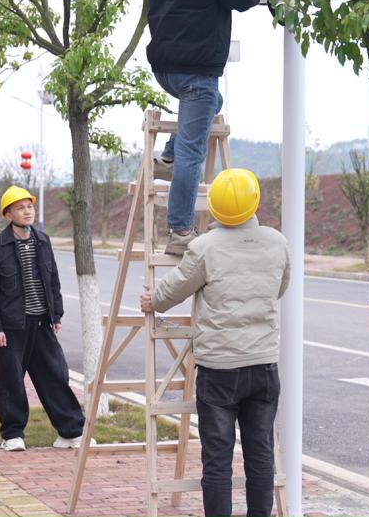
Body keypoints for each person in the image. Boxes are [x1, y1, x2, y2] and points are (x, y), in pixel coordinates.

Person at [140, 168, 290, 517]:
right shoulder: (277, 242)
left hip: (219, 371)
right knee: (261, 454)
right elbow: (280, 289)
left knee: (218, 460)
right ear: (255, 202)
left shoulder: (204, 247)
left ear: (215, 209)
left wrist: (152, 300)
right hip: (263, 367)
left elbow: (173, 290)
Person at [145, 0, 259, 255]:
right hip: (197, 71)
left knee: (212, 102)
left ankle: (167, 158)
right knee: (195, 152)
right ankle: (179, 232)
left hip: (165, 70)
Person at [0, 185, 86, 452]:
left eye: (30, 207)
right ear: (8, 214)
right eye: (20, 208)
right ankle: (13, 434)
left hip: (42, 324)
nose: (27, 211)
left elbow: (53, 280)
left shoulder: (42, 241)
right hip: (12, 328)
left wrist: (56, 314)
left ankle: (70, 433)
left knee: (56, 376)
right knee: (11, 380)